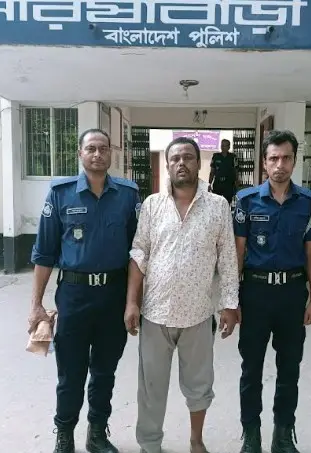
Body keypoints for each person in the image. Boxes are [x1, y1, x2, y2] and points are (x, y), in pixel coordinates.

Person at [28, 128, 141, 453]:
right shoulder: (60, 194)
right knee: (71, 372)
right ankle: (64, 434)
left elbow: (137, 252)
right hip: (74, 296)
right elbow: (44, 253)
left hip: (113, 295)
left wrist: (133, 301)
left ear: (111, 153)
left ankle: (97, 434)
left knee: (105, 371)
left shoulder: (127, 195)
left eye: (103, 148)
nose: (97, 154)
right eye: (91, 148)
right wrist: (36, 305)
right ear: (80, 153)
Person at [124, 136, 240, 453]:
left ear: (198, 163)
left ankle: (196, 440)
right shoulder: (152, 205)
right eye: (175, 158)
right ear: (167, 165)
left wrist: (229, 305)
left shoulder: (218, 206)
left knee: (199, 386)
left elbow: (228, 259)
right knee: (151, 386)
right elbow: (139, 254)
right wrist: (132, 301)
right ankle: (150, 444)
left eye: (188, 157)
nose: (181, 163)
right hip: (155, 313)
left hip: (198, 314)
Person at [233, 130, 311, 453]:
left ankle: (283, 435)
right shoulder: (246, 201)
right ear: (264, 162)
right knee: (251, 369)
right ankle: (251, 435)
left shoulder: (310, 203)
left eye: (286, 158)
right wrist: (232, 299)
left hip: (292, 293)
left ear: (294, 161)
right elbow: (237, 252)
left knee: (289, 368)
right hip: (255, 294)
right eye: (273, 158)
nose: (280, 165)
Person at [209, 138, 239, 204]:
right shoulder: (216, 156)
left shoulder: (233, 157)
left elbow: (236, 171)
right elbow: (212, 171)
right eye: (222, 145)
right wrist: (209, 183)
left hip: (228, 184)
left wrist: (237, 184)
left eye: (225, 146)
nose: (223, 147)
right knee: (216, 203)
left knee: (227, 204)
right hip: (218, 184)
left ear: (229, 147)